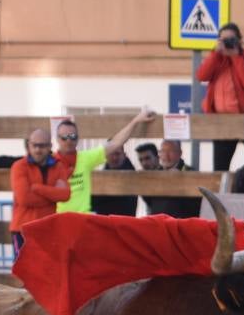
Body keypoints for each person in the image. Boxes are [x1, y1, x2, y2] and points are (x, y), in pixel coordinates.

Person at [54, 108, 156, 214]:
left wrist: (136, 120)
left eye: (73, 136)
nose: (69, 140)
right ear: (57, 138)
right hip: (58, 218)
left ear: (78, 138)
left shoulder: (85, 158)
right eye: (64, 137)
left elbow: (116, 143)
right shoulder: (50, 162)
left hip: (82, 219)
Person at [197, 23, 244, 174]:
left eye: (231, 39)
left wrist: (236, 56)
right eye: (224, 40)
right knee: (220, 166)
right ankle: (221, 195)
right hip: (223, 121)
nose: (228, 43)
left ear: (239, 40)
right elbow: (202, 76)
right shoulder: (216, 58)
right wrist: (216, 53)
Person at [9, 128, 71, 256]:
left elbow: (65, 195)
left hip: (47, 228)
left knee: (45, 271)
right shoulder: (19, 166)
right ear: (28, 145)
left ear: (50, 146)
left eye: (42, 145)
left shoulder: (58, 166)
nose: (38, 149)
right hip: (22, 229)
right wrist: (52, 195)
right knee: (24, 271)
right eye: (34, 145)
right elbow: (24, 198)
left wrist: (38, 188)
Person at [144, 139, 201, 219]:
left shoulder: (190, 173)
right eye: (163, 151)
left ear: (180, 153)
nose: (166, 156)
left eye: (171, 151)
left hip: (180, 223)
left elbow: (196, 205)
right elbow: (148, 200)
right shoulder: (155, 173)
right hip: (158, 223)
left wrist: (179, 180)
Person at [90, 144, 139, 217]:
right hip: (105, 222)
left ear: (124, 155)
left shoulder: (129, 174)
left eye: (117, 154)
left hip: (123, 223)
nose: (114, 157)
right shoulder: (105, 172)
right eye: (111, 154)